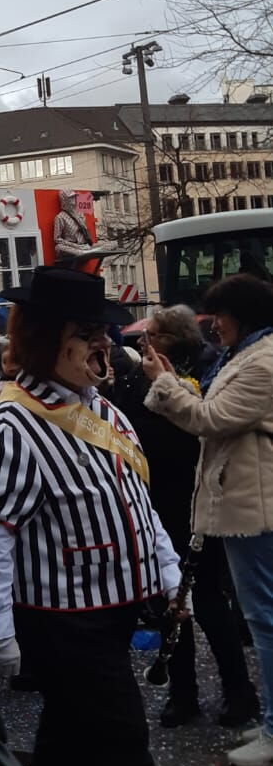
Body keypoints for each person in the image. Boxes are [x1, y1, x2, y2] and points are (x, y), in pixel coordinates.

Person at [0, 266, 226, 766]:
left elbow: (138, 507)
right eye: (87, 333)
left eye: (103, 331)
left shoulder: (104, 410)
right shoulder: (12, 426)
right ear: (46, 338)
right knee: (121, 756)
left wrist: (168, 579)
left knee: (68, 755)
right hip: (60, 622)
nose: (104, 345)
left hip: (112, 613)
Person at [143, 273, 273, 766]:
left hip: (254, 510)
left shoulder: (261, 363)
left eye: (219, 316)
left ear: (242, 316)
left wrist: (163, 383)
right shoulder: (248, 356)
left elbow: (211, 418)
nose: (213, 325)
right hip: (246, 505)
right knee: (260, 617)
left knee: (264, 620)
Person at [115, 307, 258, 729]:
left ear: (175, 339)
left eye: (154, 335)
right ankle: (182, 693)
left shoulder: (206, 369)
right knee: (168, 603)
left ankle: (239, 691)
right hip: (155, 498)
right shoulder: (135, 375)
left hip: (197, 496)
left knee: (210, 600)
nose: (145, 343)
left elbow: (203, 424)